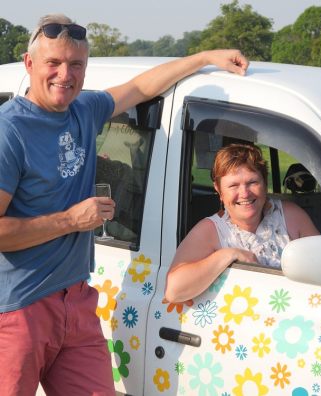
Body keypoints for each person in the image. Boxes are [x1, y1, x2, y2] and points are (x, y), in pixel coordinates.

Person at [0, 13, 249, 396]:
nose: (65, 75)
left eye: (76, 64)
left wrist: (202, 58)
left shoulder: (84, 110)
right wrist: (70, 219)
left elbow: (138, 87)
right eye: (53, 63)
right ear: (29, 63)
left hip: (77, 300)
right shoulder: (9, 131)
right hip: (19, 308)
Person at [165, 143, 320, 303]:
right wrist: (228, 255)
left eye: (252, 182)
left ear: (265, 183)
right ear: (219, 190)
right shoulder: (210, 230)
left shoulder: (290, 216)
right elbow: (174, 291)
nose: (244, 193)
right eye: (233, 185)